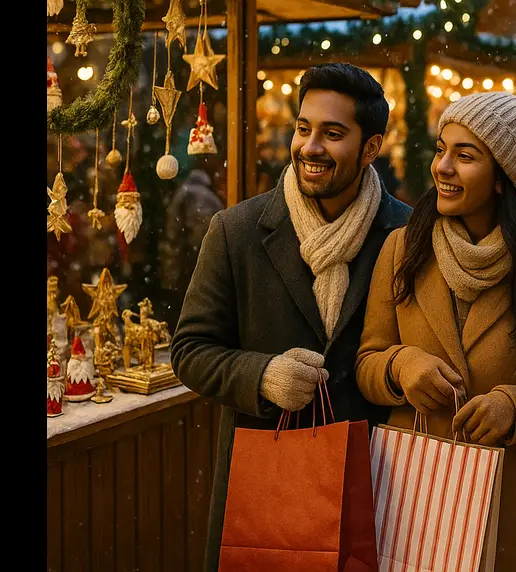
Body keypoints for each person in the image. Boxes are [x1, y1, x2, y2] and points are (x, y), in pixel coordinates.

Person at [171, 63, 411, 572]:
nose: (310, 146)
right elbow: (190, 350)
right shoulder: (236, 231)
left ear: (371, 148)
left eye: (332, 133)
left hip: (376, 484)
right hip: (268, 484)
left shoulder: (407, 237)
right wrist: (262, 376)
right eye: (304, 128)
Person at [356, 89, 516, 572]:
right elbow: (368, 362)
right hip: (412, 488)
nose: (442, 167)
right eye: (442, 149)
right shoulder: (402, 249)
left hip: (509, 496)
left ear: (502, 176)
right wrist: (402, 366)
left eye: (466, 155)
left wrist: (513, 406)